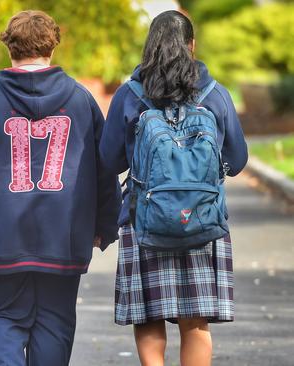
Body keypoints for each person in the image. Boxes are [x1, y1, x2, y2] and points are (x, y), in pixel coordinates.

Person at [0, 10, 121, 366]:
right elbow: (104, 170)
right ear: (53, 45)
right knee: (55, 324)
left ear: (9, 45)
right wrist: (103, 226)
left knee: (0, 319)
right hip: (64, 236)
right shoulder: (82, 101)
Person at [100, 10, 248, 366]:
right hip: (202, 220)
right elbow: (238, 159)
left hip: (144, 219)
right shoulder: (215, 94)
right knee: (195, 322)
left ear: (149, 48)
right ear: (192, 46)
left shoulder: (130, 95)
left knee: (149, 316)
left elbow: (108, 161)